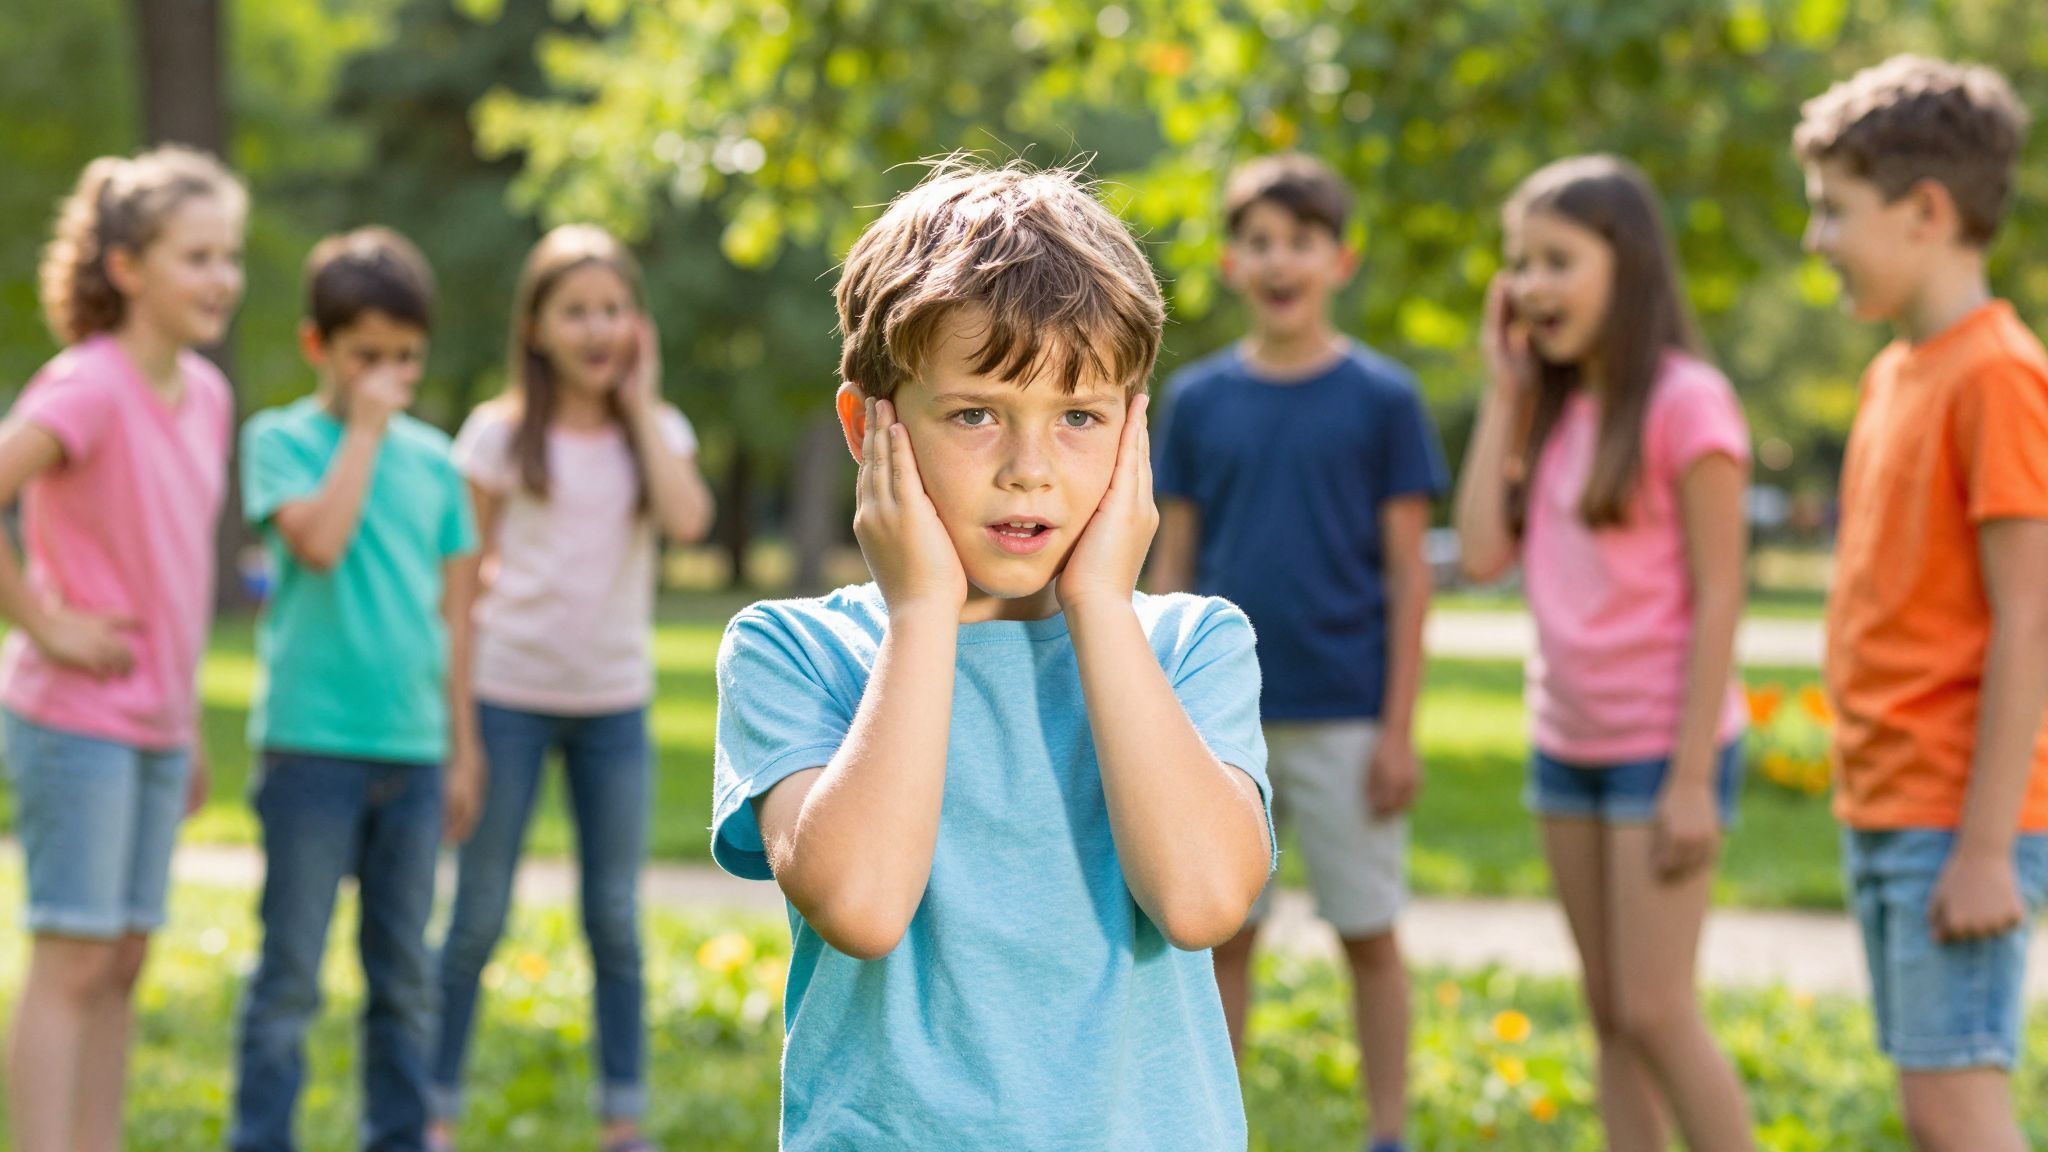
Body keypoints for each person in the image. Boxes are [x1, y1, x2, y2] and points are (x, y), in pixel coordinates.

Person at [710, 160, 1274, 1148]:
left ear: (1134, 431)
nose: (1029, 469)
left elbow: (1200, 902)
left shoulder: (1191, 647)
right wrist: (922, 611)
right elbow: (863, 904)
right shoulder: (794, 652)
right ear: (867, 425)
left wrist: (1098, 601)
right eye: (975, 414)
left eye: (1079, 418)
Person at [1453, 155, 1756, 1152]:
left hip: (1657, 750)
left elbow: (1721, 596)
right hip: (1564, 745)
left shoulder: (1686, 401)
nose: (1531, 285)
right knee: (1610, 1014)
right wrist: (1502, 396)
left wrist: (1685, 782)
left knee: (1656, 1008)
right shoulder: (1545, 408)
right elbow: (1484, 555)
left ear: (1622, 266)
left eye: (1555, 260)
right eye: (1518, 264)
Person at [1148, 152, 1446, 1152]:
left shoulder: (1381, 399)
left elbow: (1410, 576)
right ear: (1231, 263)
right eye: (1259, 242)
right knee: (1220, 932)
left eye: (1300, 243)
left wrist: (1398, 729)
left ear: (1339, 259)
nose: (1279, 262)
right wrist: (1157, 710)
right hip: (1218, 717)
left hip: (1348, 715)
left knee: (1367, 932)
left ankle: (1387, 1129)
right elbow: (1170, 562)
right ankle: (1210, 1126)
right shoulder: (1193, 402)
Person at [1796, 55, 2048, 1152]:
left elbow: (2028, 618)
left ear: (1924, 212)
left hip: (1955, 816)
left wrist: (1986, 846)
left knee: (1957, 1112)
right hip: (1887, 803)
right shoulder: (1894, 372)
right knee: (1926, 1105)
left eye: (1830, 212)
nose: (1814, 242)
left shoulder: (1996, 374)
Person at [429, 224, 714, 1152]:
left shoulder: (657, 433)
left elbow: (689, 520)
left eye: (613, 308)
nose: (597, 327)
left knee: (615, 922)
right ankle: (433, 1108)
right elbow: (459, 590)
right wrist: (461, 732)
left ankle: (622, 1119)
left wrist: (641, 403)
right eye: (576, 310)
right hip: (507, 697)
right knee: (475, 918)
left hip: (613, 709)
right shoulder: (499, 436)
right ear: (537, 327)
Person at [0, 145, 244, 1152]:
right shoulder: (87, 387)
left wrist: (183, 728)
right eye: (196, 256)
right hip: (74, 720)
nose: (222, 278)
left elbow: (174, 576)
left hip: (152, 727)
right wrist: (41, 619)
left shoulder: (211, 396)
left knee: (125, 958)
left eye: (229, 256)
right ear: (128, 268)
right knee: (72, 958)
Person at [229, 227, 482, 1152]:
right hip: (310, 748)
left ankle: (399, 1138)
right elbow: (320, 543)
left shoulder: (439, 463)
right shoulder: (280, 441)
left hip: (412, 751)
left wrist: (464, 745)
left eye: (405, 359)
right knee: (289, 973)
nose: (388, 375)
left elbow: (457, 617)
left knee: (403, 978)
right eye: (366, 355)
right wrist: (367, 431)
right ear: (317, 347)